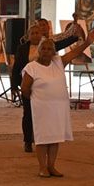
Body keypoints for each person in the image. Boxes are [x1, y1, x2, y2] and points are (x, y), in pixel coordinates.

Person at [21, 25, 94, 177]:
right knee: (43, 138)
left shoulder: (58, 62)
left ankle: (52, 166)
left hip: (58, 108)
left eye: (50, 49)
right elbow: (25, 88)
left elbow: (75, 52)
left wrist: (87, 42)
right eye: (44, 49)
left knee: (55, 137)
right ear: (39, 50)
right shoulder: (32, 67)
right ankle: (42, 167)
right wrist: (35, 99)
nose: (47, 52)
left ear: (54, 51)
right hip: (41, 108)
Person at [12, 19, 81, 153]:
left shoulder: (48, 45)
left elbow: (63, 44)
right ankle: (27, 140)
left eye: (38, 32)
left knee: (44, 116)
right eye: (33, 33)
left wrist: (75, 37)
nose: (35, 35)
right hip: (28, 85)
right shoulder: (22, 48)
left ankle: (44, 138)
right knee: (28, 114)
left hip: (45, 87)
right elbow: (17, 68)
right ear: (28, 35)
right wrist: (15, 85)